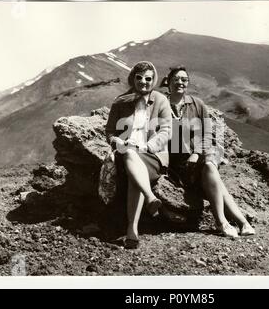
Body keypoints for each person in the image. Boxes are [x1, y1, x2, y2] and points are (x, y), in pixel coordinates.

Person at [162, 66, 255, 238]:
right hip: (178, 164)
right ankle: (243, 223)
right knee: (216, 182)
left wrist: (197, 153)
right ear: (168, 82)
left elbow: (207, 134)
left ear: (188, 83)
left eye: (184, 79)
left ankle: (222, 222)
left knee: (210, 166)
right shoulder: (161, 105)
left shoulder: (197, 104)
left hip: (201, 155)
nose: (180, 83)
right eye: (176, 79)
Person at [105, 61, 172, 249]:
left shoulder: (160, 100)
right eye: (139, 78)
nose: (144, 82)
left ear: (154, 80)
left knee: (133, 161)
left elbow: (167, 131)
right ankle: (150, 198)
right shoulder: (120, 101)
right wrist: (117, 141)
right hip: (126, 151)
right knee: (129, 154)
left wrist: (147, 146)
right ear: (132, 78)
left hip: (152, 154)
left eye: (148, 79)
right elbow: (110, 131)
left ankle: (131, 229)